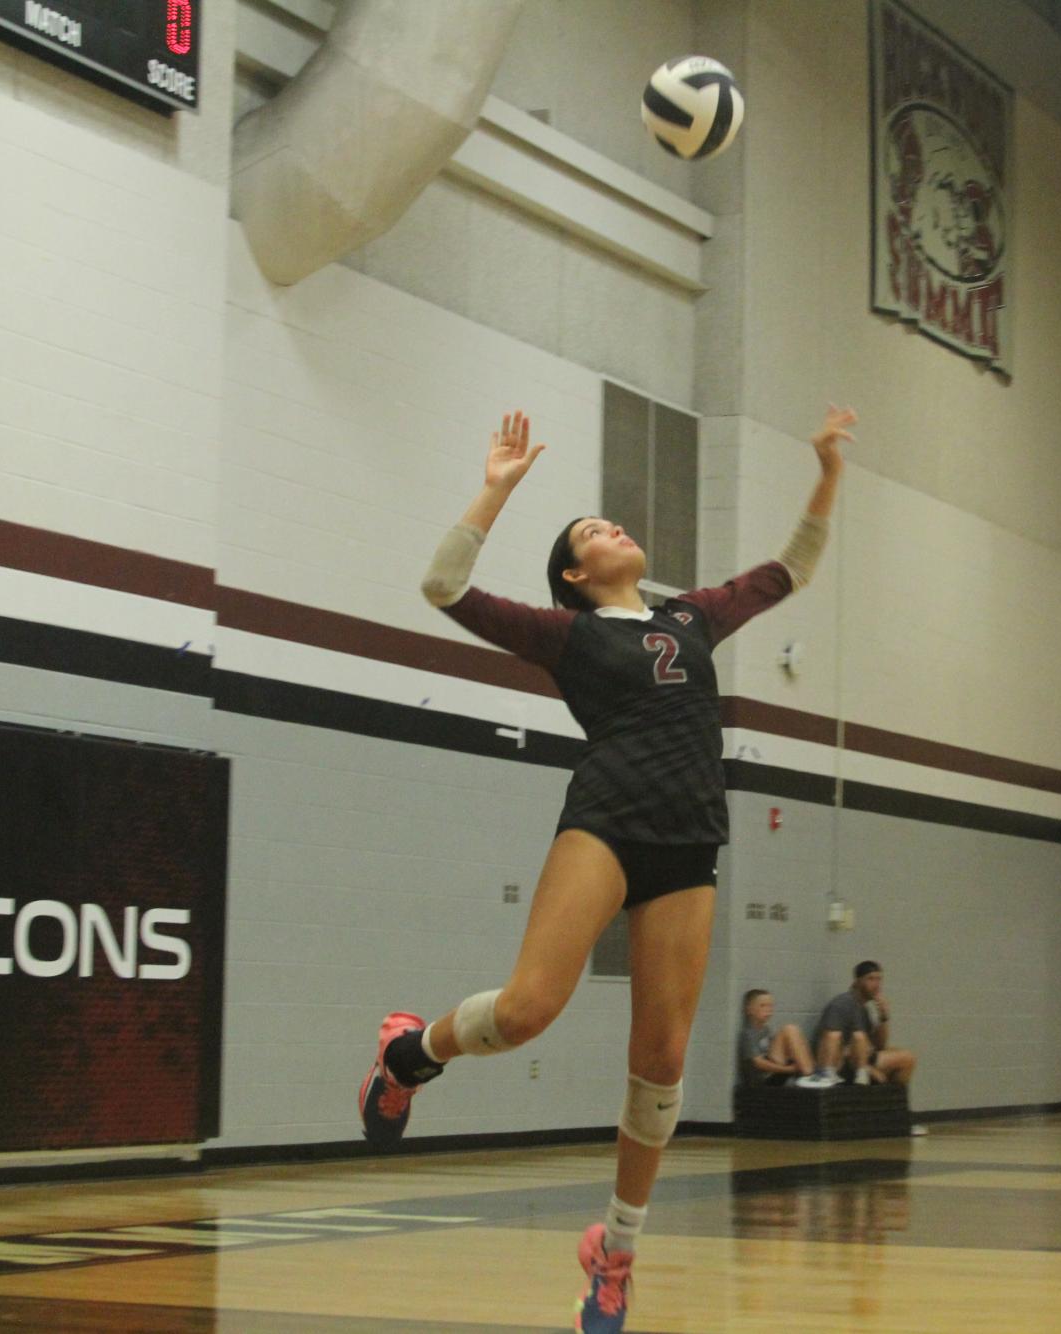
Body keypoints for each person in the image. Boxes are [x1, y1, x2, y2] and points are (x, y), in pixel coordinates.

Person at [355, 405, 854, 1333]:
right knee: (527, 1010)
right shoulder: (565, 634)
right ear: (577, 577)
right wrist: (496, 491)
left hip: (690, 836)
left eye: (607, 521)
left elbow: (795, 566)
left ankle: (615, 1254)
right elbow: (440, 584)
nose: (609, 527)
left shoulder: (690, 616)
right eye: (590, 534)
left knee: (660, 1061)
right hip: (607, 818)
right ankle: (406, 1054)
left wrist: (826, 468)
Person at [813, 960, 917, 1087]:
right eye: (871, 979)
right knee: (906, 1059)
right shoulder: (842, 1004)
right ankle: (889, 1099)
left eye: (879, 980)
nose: (876, 984)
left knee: (902, 1053)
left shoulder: (863, 1009)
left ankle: (890, 1099)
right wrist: (868, 1068)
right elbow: (833, 1044)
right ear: (857, 981)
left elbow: (879, 1045)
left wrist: (883, 1018)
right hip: (842, 1065)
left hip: (859, 1059)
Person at [739, 989, 832, 1088]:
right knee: (789, 1029)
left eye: (770, 1006)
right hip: (761, 1080)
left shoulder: (766, 1030)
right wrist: (788, 1069)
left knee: (793, 1032)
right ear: (749, 1010)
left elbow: (774, 1052)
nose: (768, 1009)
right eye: (763, 1006)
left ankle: (813, 1072)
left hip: (774, 1072)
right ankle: (809, 1074)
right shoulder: (748, 1034)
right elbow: (758, 1063)